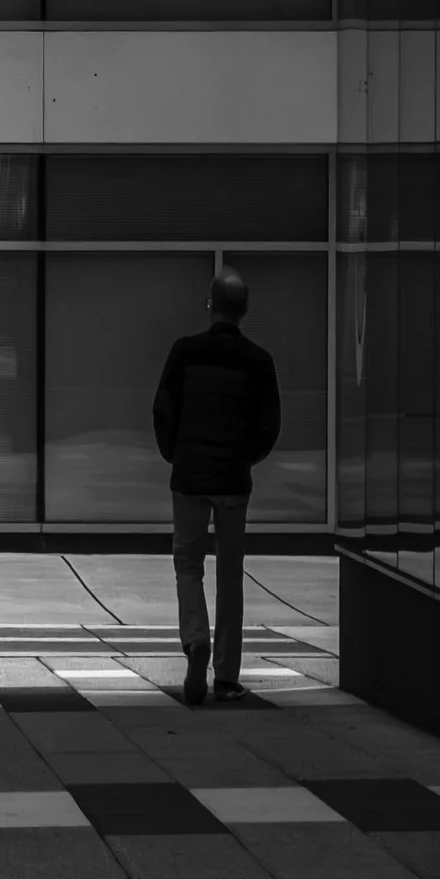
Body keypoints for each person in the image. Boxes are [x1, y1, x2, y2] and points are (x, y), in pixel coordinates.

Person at [153, 270, 282, 706]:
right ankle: (226, 676)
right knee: (231, 573)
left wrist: (176, 454)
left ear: (210, 305)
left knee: (187, 565)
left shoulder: (185, 352)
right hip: (232, 480)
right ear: (244, 310)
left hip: (190, 476)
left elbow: (163, 408)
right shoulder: (258, 361)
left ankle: (195, 640)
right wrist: (245, 458)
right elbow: (269, 426)